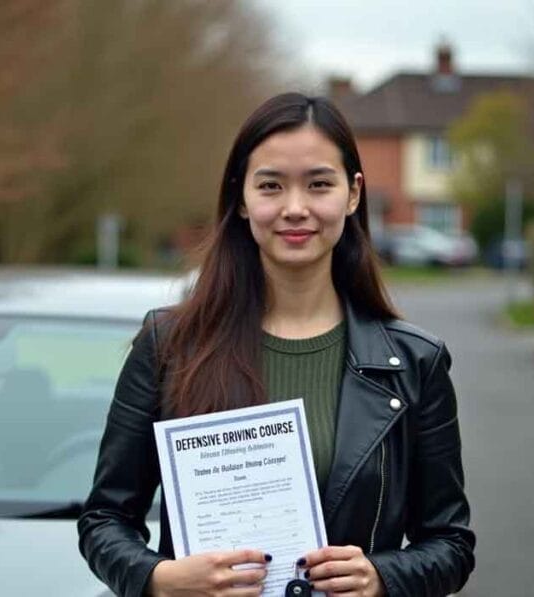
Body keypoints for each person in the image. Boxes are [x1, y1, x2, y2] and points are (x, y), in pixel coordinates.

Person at [77, 92, 475, 597]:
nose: (294, 208)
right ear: (241, 198)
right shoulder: (169, 345)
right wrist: (158, 579)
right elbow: (105, 518)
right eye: (270, 186)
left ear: (353, 194)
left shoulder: (416, 363)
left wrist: (382, 577)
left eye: (318, 185)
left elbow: (450, 543)